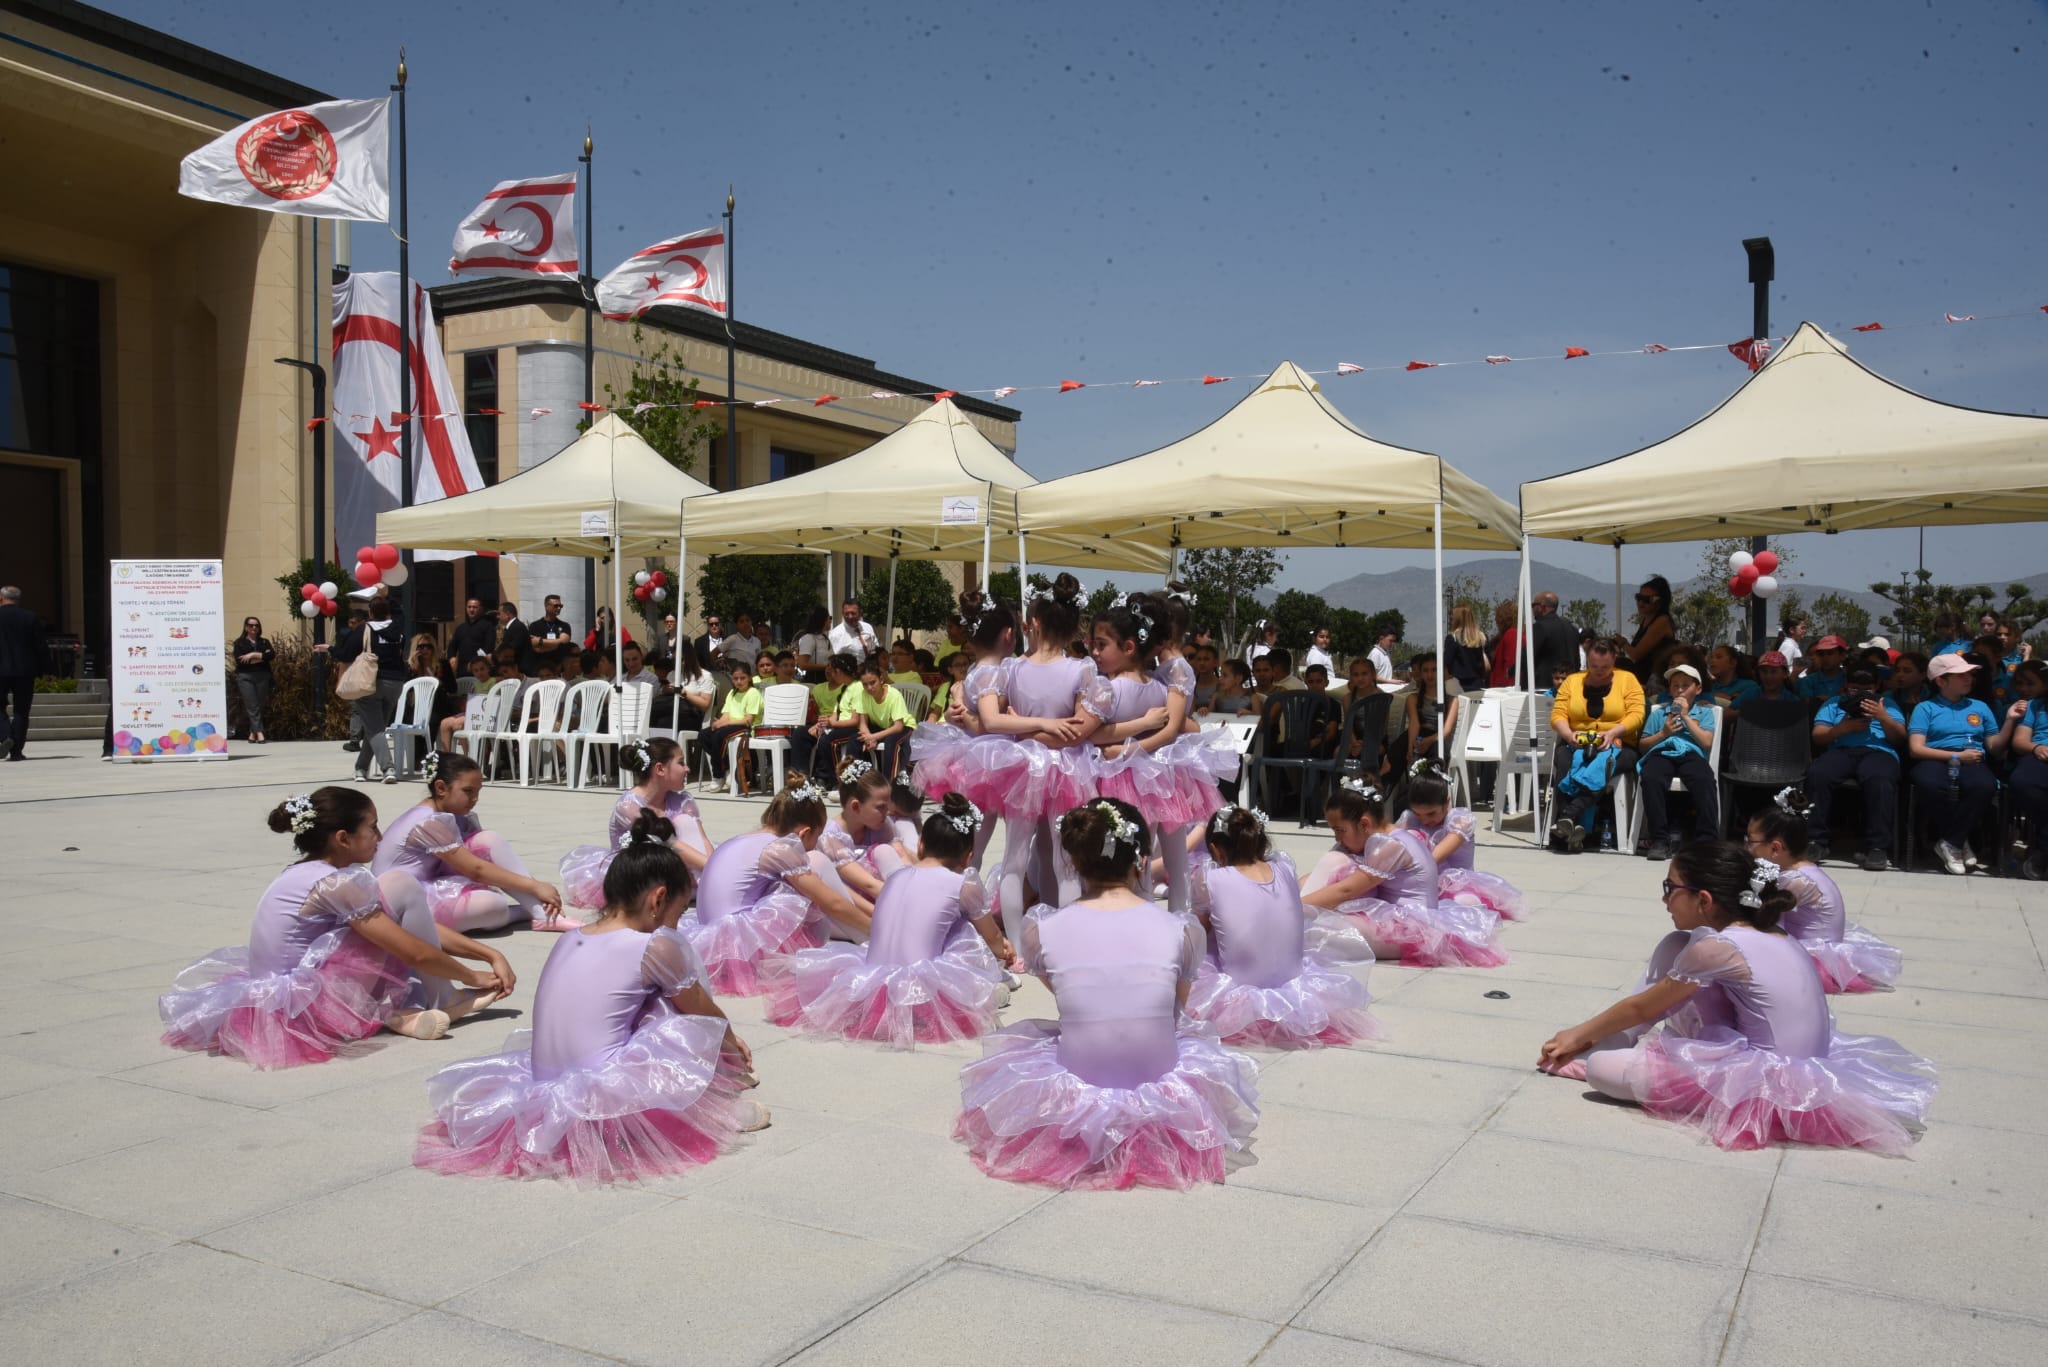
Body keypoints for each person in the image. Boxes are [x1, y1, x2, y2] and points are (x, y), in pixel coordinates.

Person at [414, 809, 765, 1182]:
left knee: (646, 991)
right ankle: (709, 1110)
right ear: (658, 899)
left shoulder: (571, 937)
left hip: (543, 1087)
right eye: (677, 914)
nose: (675, 926)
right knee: (669, 1005)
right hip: (600, 1100)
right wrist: (730, 1046)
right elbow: (701, 1011)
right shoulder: (656, 945)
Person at [1537, 842, 1934, 1152]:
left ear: (1704, 900)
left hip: (1771, 1087)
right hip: (1807, 1067)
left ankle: (1604, 1050)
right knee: (1676, 944)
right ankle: (1619, 1040)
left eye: (1670, 889)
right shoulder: (1769, 931)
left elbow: (1644, 1005)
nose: (1664, 899)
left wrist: (1577, 1033)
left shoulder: (1718, 948)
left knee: (1602, 1069)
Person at [955, 798, 1260, 1189]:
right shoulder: (1180, 929)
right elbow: (1176, 1012)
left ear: (1073, 861)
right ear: (1141, 861)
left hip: (1081, 1076)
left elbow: (1064, 992)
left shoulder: (1040, 930)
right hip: (1158, 1078)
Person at [159, 787, 515, 1067]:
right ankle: (444, 998)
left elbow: (418, 932)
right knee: (400, 885)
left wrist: (488, 953)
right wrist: (473, 975)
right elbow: (414, 951)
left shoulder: (304, 872)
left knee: (393, 909)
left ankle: (399, 1013)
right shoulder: (336, 883)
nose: (380, 836)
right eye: (372, 827)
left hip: (276, 1004)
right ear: (343, 838)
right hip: (306, 1011)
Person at [914, 578, 1108, 926]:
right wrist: (1045, 726)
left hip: (1022, 766)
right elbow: (1074, 733)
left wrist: (1016, 727)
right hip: (1067, 770)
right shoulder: (1082, 669)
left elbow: (992, 723)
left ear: (1034, 623)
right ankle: (1062, 933)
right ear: (1075, 625)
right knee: (1064, 863)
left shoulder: (1011, 668)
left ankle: (1016, 944)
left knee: (1013, 861)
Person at [763, 793, 1014, 1048]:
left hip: (872, 983)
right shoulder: (963, 883)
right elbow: (992, 936)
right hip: (919, 991)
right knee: (963, 929)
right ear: (968, 856)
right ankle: (990, 984)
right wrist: (1003, 952)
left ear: (920, 845)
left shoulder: (896, 877)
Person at [1183, 803, 1378, 1048]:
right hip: (1294, 987)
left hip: (1239, 991)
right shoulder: (1284, 867)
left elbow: (1197, 932)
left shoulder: (1209, 877)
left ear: (1215, 849)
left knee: (1199, 934)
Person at [1092, 590, 1235, 913]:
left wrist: (1127, 750)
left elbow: (1171, 726)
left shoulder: (1177, 669)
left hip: (1157, 763)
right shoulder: (1158, 674)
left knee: (1153, 851)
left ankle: (1166, 917)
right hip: (1160, 764)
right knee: (1161, 851)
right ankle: (1171, 918)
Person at [681, 777, 862, 993]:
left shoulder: (738, 839)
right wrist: (874, 927)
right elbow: (832, 902)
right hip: (743, 952)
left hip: (708, 947)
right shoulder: (780, 848)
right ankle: (868, 938)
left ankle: (861, 932)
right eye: (817, 837)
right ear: (804, 833)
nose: (816, 844)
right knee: (817, 861)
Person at [1301, 779, 1506, 966]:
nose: (1337, 838)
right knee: (1324, 902)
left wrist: (1294, 908)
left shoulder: (1390, 846)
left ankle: (1290, 924)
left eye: (1340, 830)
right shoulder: (1376, 838)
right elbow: (1321, 875)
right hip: (1393, 919)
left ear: (1364, 824)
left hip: (1411, 930)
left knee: (1320, 931)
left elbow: (1346, 890)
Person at [372, 751, 566, 934]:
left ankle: (540, 911)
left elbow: (484, 859)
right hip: (399, 905)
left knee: (488, 840)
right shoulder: (429, 822)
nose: (475, 799)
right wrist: (535, 886)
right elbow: (476, 870)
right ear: (441, 788)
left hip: (425, 884)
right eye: (468, 791)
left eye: (478, 792)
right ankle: (528, 912)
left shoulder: (443, 813)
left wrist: (533, 887)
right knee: (491, 905)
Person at [1747, 794, 1902, 992]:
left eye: (1750, 841)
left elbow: (1764, 920)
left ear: (1775, 848)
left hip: (1815, 959)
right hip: (1823, 948)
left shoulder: (1796, 881)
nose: (1746, 847)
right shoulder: (1803, 869)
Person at [559, 736, 716, 909]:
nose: (687, 769)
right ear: (660, 769)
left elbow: (702, 840)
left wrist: (714, 862)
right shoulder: (629, 807)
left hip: (678, 864)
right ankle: (700, 884)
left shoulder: (682, 800)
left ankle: (702, 883)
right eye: (681, 763)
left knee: (685, 822)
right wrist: (713, 869)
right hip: (642, 869)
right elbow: (670, 844)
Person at [1907, 653, 2009, 875]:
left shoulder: (1980, 707)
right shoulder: (1925, 708)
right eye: (1960, 675)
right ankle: (1958, 842)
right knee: (1929, 784)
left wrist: (2010, 720)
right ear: (1941, 681)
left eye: (1969, 674)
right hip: (1935, 757)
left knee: (1984, 786)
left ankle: (1951, 842)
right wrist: (1956, 756)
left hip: (1972, 759)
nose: (1968, 678)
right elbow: (1916, 749)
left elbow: (1994, 747)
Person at [1547, 637, 1645, 853]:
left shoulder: (1628, 680)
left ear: (1614, 660)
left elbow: (1637, 714)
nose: (1599, 671)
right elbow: (1558, 714)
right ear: (1587, 662)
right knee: (1564, 760)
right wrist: (1569, 734)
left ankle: (1567, 818)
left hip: (1619, 743)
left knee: (1604, 763)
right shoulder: (1572, 681)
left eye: (1605, 667)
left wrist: (1614, 732)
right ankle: (1572, 828)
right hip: (1577, 742)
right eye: (1594, 666)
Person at [1395, 759, 1525, 919]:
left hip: (1457, 883)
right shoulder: (1410, 819)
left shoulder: (1459, 820)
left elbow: (1432, 858)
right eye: (1418, 814)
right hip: (1421, 881)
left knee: (1462, 906)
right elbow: (1392, 845)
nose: (1424, 820)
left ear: (1447, 802)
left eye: (1431, 813)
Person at [1804, 666, 1906, 870]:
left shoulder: (1888, 705)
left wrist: (1883, 717)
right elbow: (1818, 737)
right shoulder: (1834, 703)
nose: (1860, 694)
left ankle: (1877, 847)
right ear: (1846, 686)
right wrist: (1842, 729)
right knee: (1818, 773)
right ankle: (1816, 841)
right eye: (1854, 689)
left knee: (1880, 779)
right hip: (1842, 750)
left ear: (1877, 687)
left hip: (1878, 751)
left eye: (1867, 690)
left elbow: (1900, 739)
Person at [1633, 664, 1719, 859]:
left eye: (1685, 685)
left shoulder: (1704, 713)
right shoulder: (1659, 713)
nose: (1680, 690)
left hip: (1690, 753)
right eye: (1675, 685)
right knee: (1651, 777)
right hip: (1663, 751)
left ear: (1698, 689)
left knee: (1704, 779)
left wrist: (1685, 716)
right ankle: (1659, 839)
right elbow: (1643, 745)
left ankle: (1706, 841)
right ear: (1670, 690)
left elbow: (1706, 742)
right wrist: (1663, 733)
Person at [332, 590, 410, 784]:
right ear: (388, 612)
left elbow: (346, 653)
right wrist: (388, 595)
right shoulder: (397, 627)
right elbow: (400, 612)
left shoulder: (364, 629)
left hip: (371, 683)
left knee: (375, 729)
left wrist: (330, 649)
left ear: (370, 612)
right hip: (395, 684)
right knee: (376, 728)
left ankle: (388, 768)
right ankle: (361, 768)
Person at [836, 659, 916, 778]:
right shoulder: (863, 694)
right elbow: (863, 722)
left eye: (873, 683)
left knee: (891, 742)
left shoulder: (894, 695)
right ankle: (856, 779)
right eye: (865, 684)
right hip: (881, 727)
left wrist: (874, 737)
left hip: (904, 727)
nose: (869, 687)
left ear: (881, 679)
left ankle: (889, 782)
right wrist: (868, 737)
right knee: (855, 738)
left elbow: (898, 727)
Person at [2007, 680, 2048, 879]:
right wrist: (2036, 748)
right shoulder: (2035, 706)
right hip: (2040, 754)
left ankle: (2044, 850)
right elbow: (2019, 741)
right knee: (2022, 782)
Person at [0, 585, 45, 762]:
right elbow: (40, 646)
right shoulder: (30, 617)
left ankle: (6, 736)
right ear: (18, 599)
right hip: (25, 670)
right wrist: (48, 670)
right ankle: (16, 751)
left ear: (1, 598)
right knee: (21, 710)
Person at [702, 662, 764, 790]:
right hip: (731, 725)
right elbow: (726, 714)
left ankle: (718, 775)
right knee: (704, 735)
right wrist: (719, 723)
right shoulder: (732, 693)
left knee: (718, 736)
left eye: (742, 678)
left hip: (747, 728)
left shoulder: (753, 693)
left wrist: (725, 723)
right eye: (735, 678)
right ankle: (727, 768)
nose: (739, 681)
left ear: (749, 678)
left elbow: (748, 720)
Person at [1402, 651, 1460, 774]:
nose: (1430, 674)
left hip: (1439, 739)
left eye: (1434, 670)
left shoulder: (1452, 700)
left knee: (1434, 749)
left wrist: (1428, 741)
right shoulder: (1413, 698)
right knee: (1401, 746)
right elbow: (1414, 724)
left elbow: (1446, 731)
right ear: (1421, 673)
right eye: (1425, 670)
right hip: (1420, 737)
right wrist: (1411, 746)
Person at [231, 615, 276, 744]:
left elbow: (271, 655)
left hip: (262, 675)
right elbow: (241, 661)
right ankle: (260, 733)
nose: (254, 628)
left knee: (259, 705)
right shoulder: (239, 643)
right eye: (251, 625)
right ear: (246, 628)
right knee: (252, 705)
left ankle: (252, 733)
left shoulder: (264, 642)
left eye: (256, 625)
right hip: (245, 677)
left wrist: (253, 655)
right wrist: (262, 657)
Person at [1626, 576, 1678, 683]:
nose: (1641, 603)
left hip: (1656, 682)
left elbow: (1636, 654)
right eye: (1638, 597)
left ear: (1659, 601)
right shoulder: (1646, 619)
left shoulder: (1662, 621)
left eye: (1646, 600)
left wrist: (1622, 643)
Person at [1528, 592, 1578, 691]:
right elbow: (1577, 660)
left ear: (1542, 607)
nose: (1532, 609)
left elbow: (1528, 656)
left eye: (1533, 605)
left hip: (1544, 687)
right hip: (1569, 686)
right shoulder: (1572, 628)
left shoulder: (1539, 627)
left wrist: (1512, 671)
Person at [1442, 603, 1490, 694]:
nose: (1451, 621)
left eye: (1452, 618)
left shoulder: (1452, 638)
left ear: (1457, 619)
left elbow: (1447, 662)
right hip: (1479, 685)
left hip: (1458, 686)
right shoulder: (1482, 638)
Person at [1796, 635, 1850, 703]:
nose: (1825, 658)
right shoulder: (1807, 682)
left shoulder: (1849, 679)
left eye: (1830, 653)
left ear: (1842, 656)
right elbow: (1806, 704)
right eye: (1821, 654)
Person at [1704, 645, 1760, 710]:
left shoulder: (1749, 687)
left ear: (1733, 663)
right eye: (1711, 657)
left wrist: (1730, 700)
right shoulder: (1707, 687)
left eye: (1719, 657)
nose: (1712, 660)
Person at [530, 594, 575, 672]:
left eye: (561, 606)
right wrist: (556, 645)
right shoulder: (535, 626)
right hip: (540, 668)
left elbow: (564, 641)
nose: (559, 608)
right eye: (556, 606)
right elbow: (536, 648)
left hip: (559, 668)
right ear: (546, 606)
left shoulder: (564, 625)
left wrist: (540, 641)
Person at [449, 597, 497, 669]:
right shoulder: (460, 628)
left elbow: (488, 647)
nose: (471, 610)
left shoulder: (488, 627)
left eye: (475, 607)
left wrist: (474, 662)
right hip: (461, 669)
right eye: (469, 607)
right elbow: (452, 646)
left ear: (481, 609)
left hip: (479, 669)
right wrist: (452, 657)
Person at [828, 596, 880, 662]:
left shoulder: (867, 627)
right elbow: (832, 659)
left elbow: (874, 650)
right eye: (846, 614)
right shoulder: (835, 634)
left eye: (853, 613)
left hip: (871, 666)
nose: (850, 617)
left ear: (860, 613)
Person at [1486, 599, 1522, 689]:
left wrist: (1508, 688)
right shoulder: (1505, 636)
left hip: (1503, 688)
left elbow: (1511, 663)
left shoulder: (1511, 634)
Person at [793, 606, 833, 678]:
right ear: (822, 620)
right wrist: (826, 667)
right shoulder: (809, 638)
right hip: (814, 679)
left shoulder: (825, 639)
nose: (830, 621)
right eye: (829, 618)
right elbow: (802, 664)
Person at [496, 601, 533, 677]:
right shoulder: (513, 627)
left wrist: (494, 656)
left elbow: (512, 649)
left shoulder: (517, 627)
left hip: (521, 671)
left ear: (507, 614)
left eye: (499, 614)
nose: (498, 617)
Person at [721, 610, 764, 674]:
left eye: (747, 620)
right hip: (737, 677)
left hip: (753, 676)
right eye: (741, 621)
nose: (745, 623)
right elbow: (714, 653)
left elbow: (759, 660)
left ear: (751, 622)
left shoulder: (757, 641)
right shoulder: (732, 639)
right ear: (737, 625)